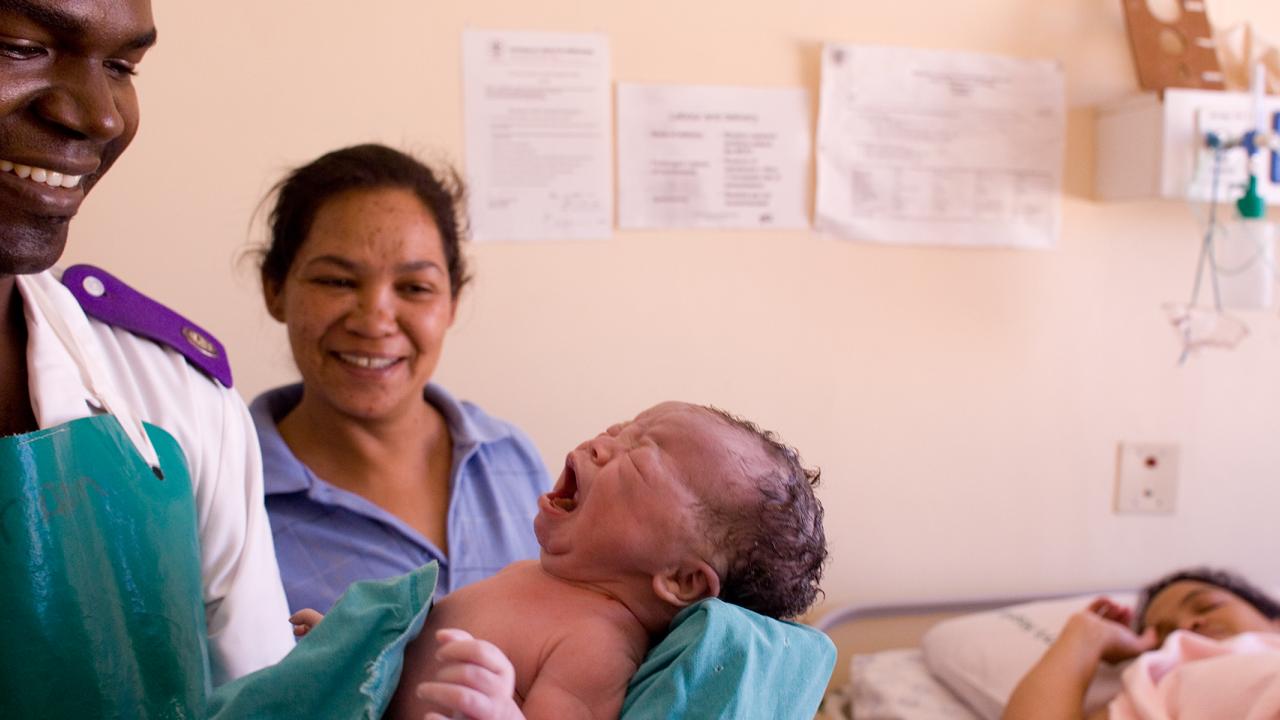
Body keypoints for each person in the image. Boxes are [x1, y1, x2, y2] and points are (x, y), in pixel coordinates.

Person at [0, 0, 293, 716]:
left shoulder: (176, 403)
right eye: (20, 46)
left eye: (122, 67)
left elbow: (257, 700)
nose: (99, 117)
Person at [294, 401, 828, 720]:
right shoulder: (532, 575)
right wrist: (357, 649)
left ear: (682, 579)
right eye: (619, 429)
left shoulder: (595, 644)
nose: (601, 443)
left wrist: (500, 711)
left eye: (641, 457)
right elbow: (417, 660)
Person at [252, 143, 551, 614]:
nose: (374, 321)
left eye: (415, 288)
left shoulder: (510, 458)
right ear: (274, 289)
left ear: (453, 301)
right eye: (337, 281)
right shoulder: (233, 495)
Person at [1003, 567, 1280, 720]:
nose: (1185, 627)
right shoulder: (1162, 682)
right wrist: (1086, 634)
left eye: (1206, 606)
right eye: (1165, 632)